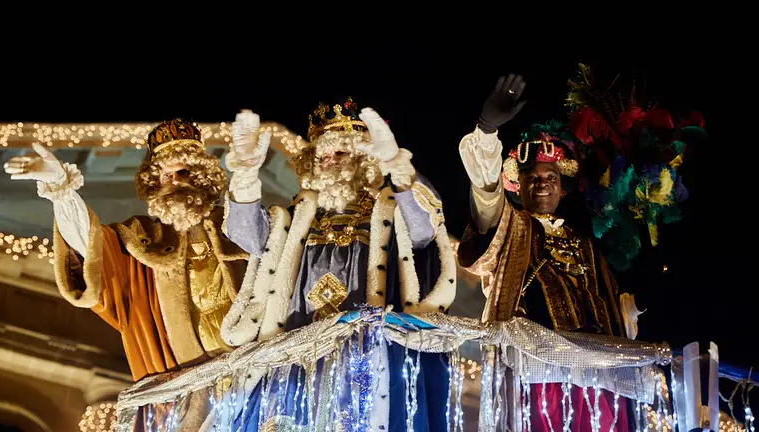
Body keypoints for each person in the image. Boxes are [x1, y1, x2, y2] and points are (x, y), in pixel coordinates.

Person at [219, 99, 456, 431]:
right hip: (296, 364)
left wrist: (399, 172)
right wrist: (244, 173)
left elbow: (424, 229)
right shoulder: (297, 216)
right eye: (322, 157)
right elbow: (249, 238)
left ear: (364, 158)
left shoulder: (389, 211)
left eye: (340, 154)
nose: (329, 163)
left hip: (364, 361)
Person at [457, 75, 639, 432]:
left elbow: (616, 306)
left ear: (562, 188)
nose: (542, 184)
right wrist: (487, 131)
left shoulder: (586, 244)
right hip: (536, 373)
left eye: (550, 178)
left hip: (595, 373)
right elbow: (486, 200)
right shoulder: (511, 227)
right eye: (533, 179)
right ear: (518, 186)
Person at [3, 119, 249, 382]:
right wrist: (61, 189)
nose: (175, 182)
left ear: (201, 176)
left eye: (183, 172)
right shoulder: (142, 239)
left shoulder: (237, 224)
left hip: (254, 370)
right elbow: (91, 247)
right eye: (166, 176)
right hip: (189, 388)